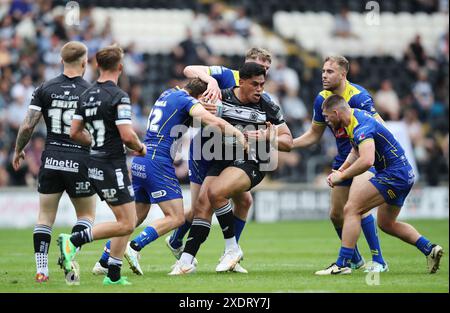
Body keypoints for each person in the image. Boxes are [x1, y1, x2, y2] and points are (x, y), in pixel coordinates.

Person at [92, 78, 247, 276]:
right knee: (176, 217)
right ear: (200, 97)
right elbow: (212, 120)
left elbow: (186, 119)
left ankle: (105, 261)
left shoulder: (168, 94)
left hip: (141, 158)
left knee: (134, 217)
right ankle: (134, 247)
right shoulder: (186, 100)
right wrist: (238, 134)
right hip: (158, 160)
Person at [170, 62, 293, 275]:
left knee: (216, 192)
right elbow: (196, 118)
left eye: (262, 84)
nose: (259, 89)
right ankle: (186, 261)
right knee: (202, 204)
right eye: (254, 84)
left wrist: (268, 136)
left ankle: (232, 249)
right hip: (221, 158)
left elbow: (288, 141)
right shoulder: (219, 97)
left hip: (254, 160)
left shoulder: (267, 105)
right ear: (241, 82)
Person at [315, 95, 444, 275]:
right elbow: (355, 149)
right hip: (403, 173)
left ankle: (342, 263)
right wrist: (341, 170)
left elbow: (367, 160)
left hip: (394, 174)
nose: (326, 121)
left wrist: (342, 176)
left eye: (328, 117)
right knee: (387, 223)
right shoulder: (354, 117)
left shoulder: (361, 127)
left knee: (352, 209)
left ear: (336, 113)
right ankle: (429, 249)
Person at [57, 45, 146, 286]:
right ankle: (74, 240)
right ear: (120, 67)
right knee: (128, 222)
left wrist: (95, 142)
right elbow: (127, 136)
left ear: (97, 65)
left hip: (94, 162)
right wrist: (140, 147)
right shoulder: (118, 96)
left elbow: (74, 132)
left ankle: (114, 275)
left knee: (126, 219)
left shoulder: (85, 95)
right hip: (111, 163)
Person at [293, 56, 387, 272]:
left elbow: (378, 126)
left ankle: (379, 261)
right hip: (343, 160)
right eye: (323, 71)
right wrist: (288, 144)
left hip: (364, 158)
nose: (324, 75)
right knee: (336, 214)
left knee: (357, 206)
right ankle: (354, 260)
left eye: (330, 72)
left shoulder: (359, 97)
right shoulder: (321, 99)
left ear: (343, 74)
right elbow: (313, 135)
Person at [11, 41, 96, 284]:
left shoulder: (45, 88)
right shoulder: (90, 91)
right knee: (87, 216)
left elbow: (28, 124)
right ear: (84, 62)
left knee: (45, 217)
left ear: (61, 61)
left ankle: (42, 270)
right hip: (79, 159)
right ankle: (69, 253)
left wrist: (18, 150)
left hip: (51, 159)